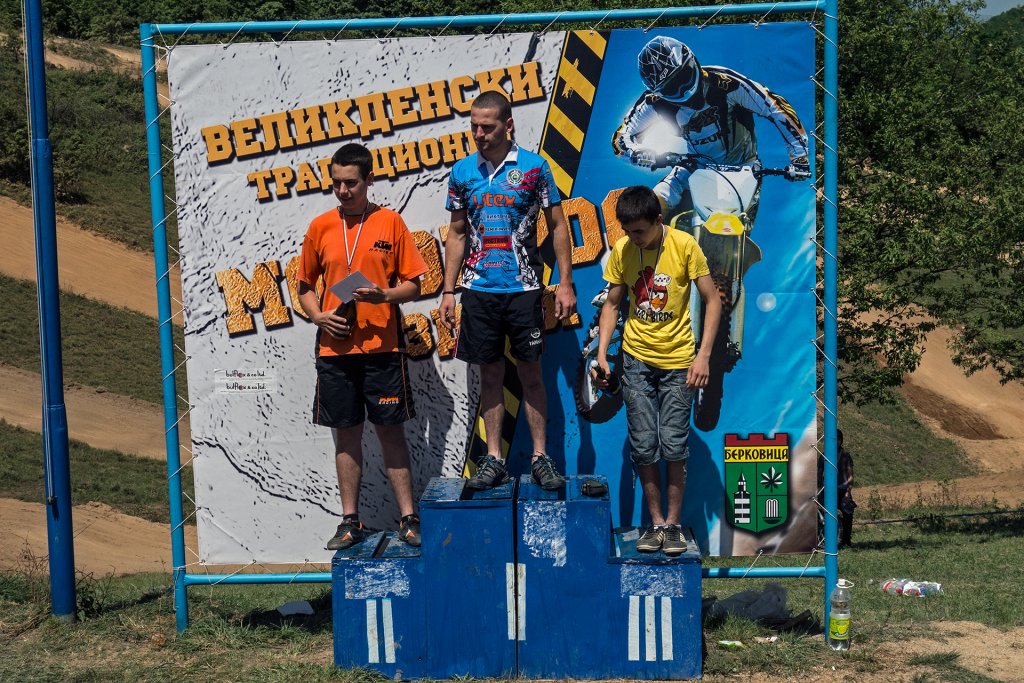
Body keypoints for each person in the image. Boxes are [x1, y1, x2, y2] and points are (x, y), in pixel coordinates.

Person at [439, 90, 577, 491]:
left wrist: (565, 282)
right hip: (479, 290)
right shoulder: (462, 172)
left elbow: (558, 226)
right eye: (474, 127)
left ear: (508, 124)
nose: (479, 134)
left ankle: (540, 457)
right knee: (490, 374)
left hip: (524, 288)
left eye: (487, 127)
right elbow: (457, 233)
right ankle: (494, 459)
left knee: (531, 373)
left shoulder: (534, 168)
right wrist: (448, 291)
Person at [297, 143, 429, 550]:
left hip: (382, 348)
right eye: (336, 183)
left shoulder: (390, 222)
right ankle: (349, 521)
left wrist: (384, 296)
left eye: (351, 183)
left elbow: (414, 284)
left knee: (391, 432)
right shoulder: (320, 226)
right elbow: (303, 287)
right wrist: (318, 317)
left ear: (369, 179)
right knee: (346, 435)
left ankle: (409, 518)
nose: (343, 191)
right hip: (334, 352)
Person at [592, 186, 721, 555]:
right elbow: (612, 304)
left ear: (658, 221)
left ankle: (674, 526)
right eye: (628, 231)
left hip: (679, 361)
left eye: (640, 231)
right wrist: (602, 354)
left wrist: (703, 356)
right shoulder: (623, 250)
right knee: (644, 445)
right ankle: (657, 524)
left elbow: (712, 300)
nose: (634, 238)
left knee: (674, 444)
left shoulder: (684, 245)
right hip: (636, 359)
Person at [613, 35, 810, 218]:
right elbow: (621, 139)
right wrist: (639, 154)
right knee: (650, 210)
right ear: (658, 92)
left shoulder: (726, 83)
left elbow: (773, 105)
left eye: (683, 77)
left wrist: (799, 156)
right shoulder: (653, 101)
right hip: (695, 165)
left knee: (727, 226)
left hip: (743, 167)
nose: (682, 90)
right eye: (671, 88)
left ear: (693, 62)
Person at [818, 429, 856, 548]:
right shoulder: (823, 455)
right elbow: (819, 474)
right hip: (827, 491)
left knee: (848, 514)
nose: (836, 442)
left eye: (838, 439)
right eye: (834, 439)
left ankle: (846, 540)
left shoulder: (846, 456)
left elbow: (850, 476)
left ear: (841, 440)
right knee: (821, 515)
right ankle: (822, 539)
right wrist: (820, 490)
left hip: (843, 491)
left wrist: (848, 492)